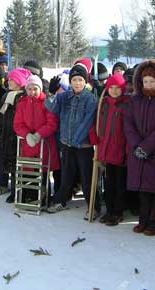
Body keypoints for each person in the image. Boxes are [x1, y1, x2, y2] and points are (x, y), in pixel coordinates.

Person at [125, 60, 155, 236]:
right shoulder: (135, 100)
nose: (149, 85)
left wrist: (146, 146)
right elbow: (128, 124)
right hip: (138, 152)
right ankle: (143, 220)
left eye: (152, 81)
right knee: (143, 191)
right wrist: (137, 145)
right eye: (146, 81)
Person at [46, 64, 99, 219]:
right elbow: (51, 108)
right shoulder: (65, 97)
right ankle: (61, 200)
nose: (77, 83)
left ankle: (93, 206)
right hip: (67, 144)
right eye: (74, 80)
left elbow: (87, 123)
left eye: (80, 80)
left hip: (83, 145)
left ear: (85, 82)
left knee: (86, 177)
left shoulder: (90, 99)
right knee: (66, 175)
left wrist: (75, 140)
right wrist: (51, 93)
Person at [14, 75, 60, 202]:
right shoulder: (22, 103)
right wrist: (27, 135)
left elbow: (52, 123)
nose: (32, 92)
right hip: (28, 144)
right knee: (29, 170)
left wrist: (38, 135)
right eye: (29, 89)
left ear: (40, 89)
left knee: (43, 171)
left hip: (44, 144)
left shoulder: (46, 102)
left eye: (35, 89)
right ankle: (30, 195)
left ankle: (43, 196)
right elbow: (18, 124)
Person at [0, 67, 32, 202]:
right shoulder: (6, 96)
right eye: (9, 79)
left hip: (18, 137)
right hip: (7, 135)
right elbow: (0, 116)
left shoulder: (24, 97)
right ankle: (14, 191)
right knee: (10, 165)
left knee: (19, 165)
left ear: (20, 82)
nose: (9, 82)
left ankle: (20, 191)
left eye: (12, 80)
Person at [96, 73, 130, 226]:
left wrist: (127, 150)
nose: (115, 91)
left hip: (121, 151)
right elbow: (96, 124)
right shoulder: (104, 104)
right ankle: (109, 211)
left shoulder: (126, 105)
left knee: (120, 184)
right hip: (106, 149)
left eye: (118, 88)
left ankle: (118, 212)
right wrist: (96, 140)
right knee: (109, 183)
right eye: (112, 88)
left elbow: (129, 130)